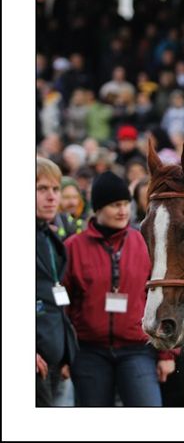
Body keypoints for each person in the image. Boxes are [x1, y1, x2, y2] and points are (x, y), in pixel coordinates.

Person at [63, 171, 177, 406]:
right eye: (115, 205)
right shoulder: (73, 247)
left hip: (138, 350)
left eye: (126, 204)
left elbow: (163, 299)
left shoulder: (144, 243)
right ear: (98, 208)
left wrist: (166, 353)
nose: (123, 211)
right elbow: (64, 305)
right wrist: (63, 355)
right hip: (89, 352)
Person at [36, 158, 79, 406]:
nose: (52, 197)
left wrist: (66, 351)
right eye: (42, 189)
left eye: (55, 189)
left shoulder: (49, 237)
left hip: (55, 359)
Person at [53, 176, 90, 241]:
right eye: (66, 197)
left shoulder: (88, 222)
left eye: (75, 197)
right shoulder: (51, 225)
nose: (72, 202)